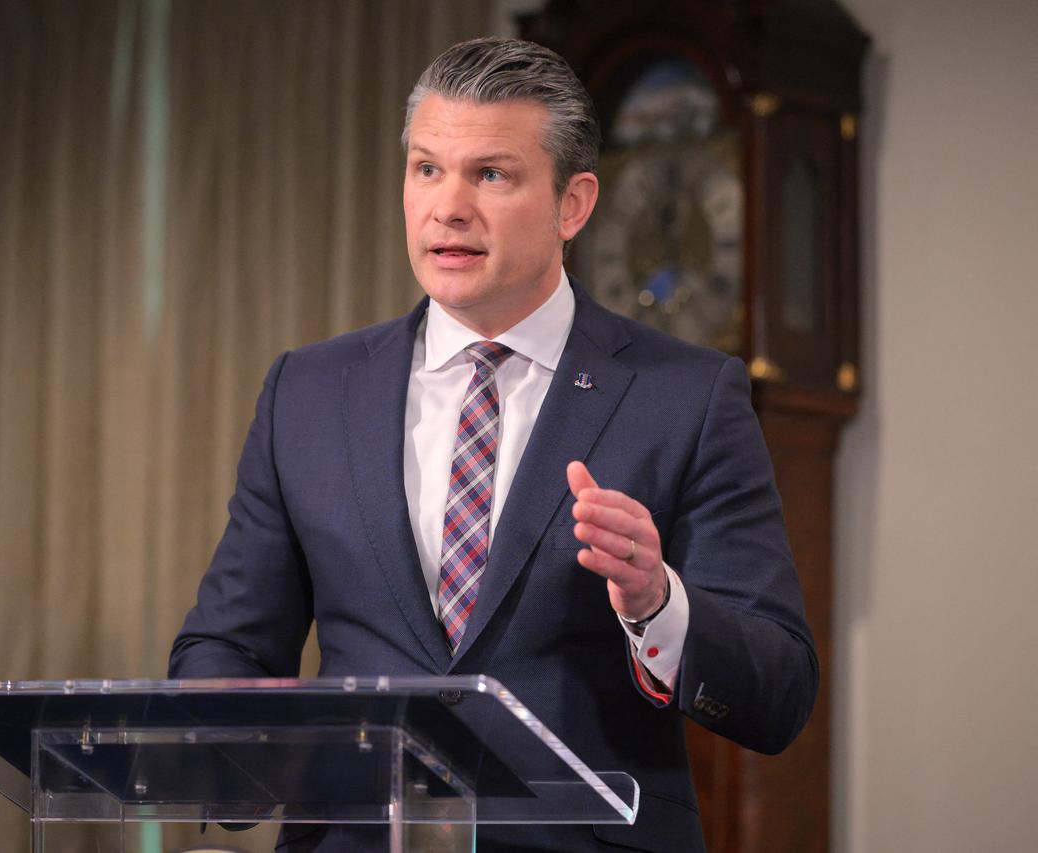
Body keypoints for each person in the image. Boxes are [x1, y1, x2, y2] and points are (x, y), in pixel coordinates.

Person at [169, 37, 816, 852]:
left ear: (573, 204)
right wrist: (223, 748)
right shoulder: (308, 391)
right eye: (426, 169)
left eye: (491, 175)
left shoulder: (685, 396)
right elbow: (231, 639)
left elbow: (779, 689)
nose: (447, 207)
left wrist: (659, 602)